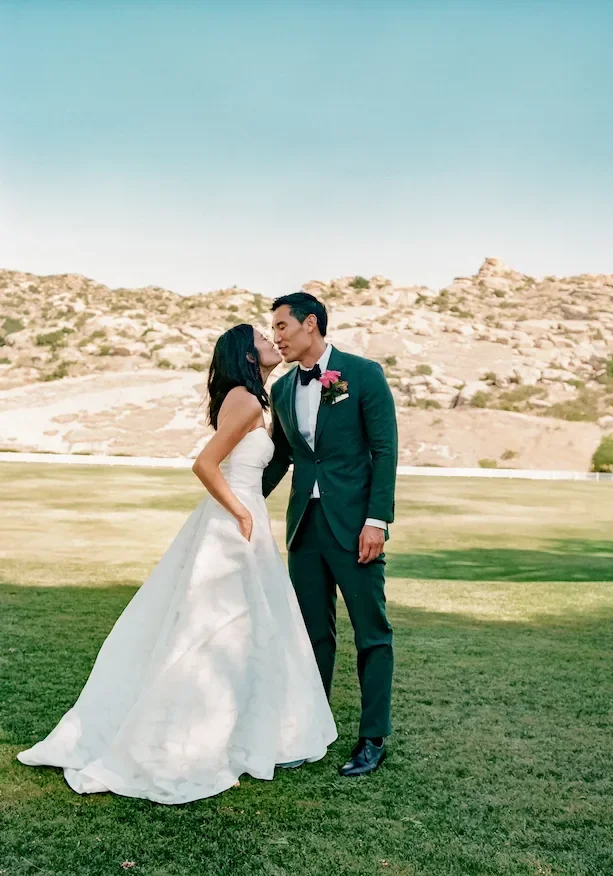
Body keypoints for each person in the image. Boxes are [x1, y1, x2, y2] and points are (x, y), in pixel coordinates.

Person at [17, 324, 337, 805]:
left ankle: (243, 733)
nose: (272, 341)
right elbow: (205, 464)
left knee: (247, 631)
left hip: (242, 519)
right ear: (247, 355)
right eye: (261, 337)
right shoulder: (245, 401)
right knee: (218, 631)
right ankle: (195, 740)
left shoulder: (251, 399)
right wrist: (240, 511)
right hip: (233, 524)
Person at [262, 292, 398, 777]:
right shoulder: (282, 389)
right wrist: (242, 501)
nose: (276, 337)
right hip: (305, 526)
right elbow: (282, 457)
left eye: (282, 326)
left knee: (371, 633)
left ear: (311, 325)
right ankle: (310, 731)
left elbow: (384, 450)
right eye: (273, 330)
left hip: (355, 525)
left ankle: (372, 738)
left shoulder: (363, 374)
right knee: (311, 634)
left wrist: (376, 521)